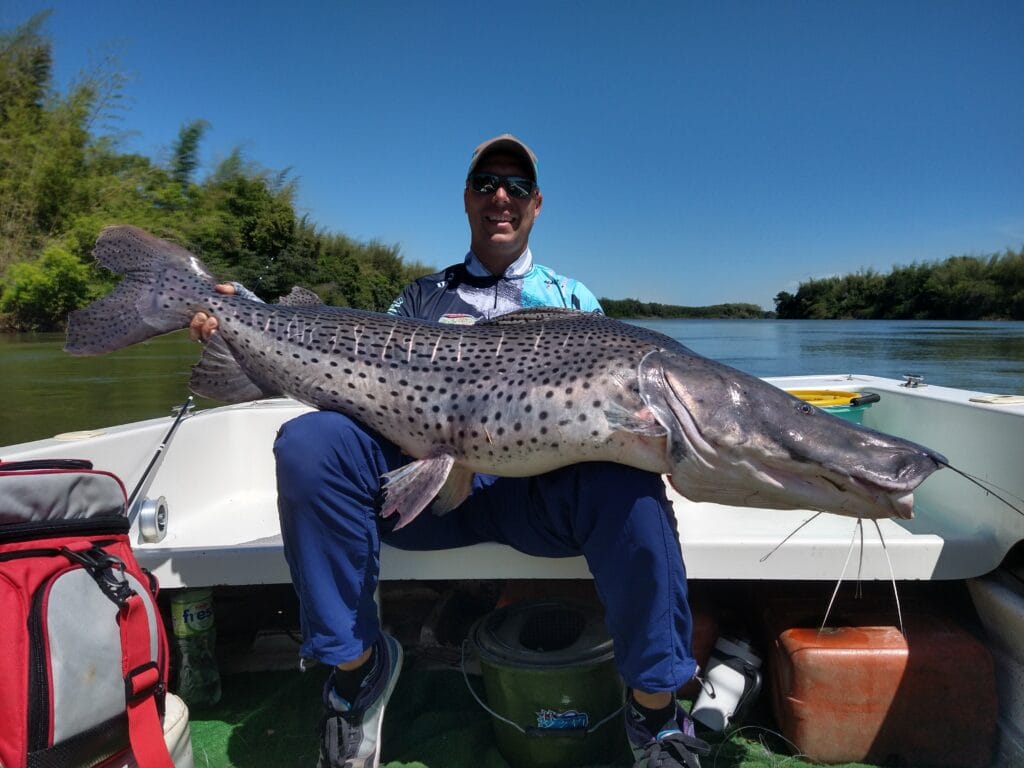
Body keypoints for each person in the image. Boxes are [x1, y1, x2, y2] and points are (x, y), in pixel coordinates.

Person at [190, 135, 708, 768]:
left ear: (536, 205)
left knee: (633, 489)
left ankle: (655, 713)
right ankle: (357, 670)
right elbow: (348, 370)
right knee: (309, 441)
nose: (501, 197)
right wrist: (241, 314)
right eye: (487, 182)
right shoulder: (418, 300)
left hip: (536, 496)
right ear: (466, 198)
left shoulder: (577, 304)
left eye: (516, 187)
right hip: (428, 493)